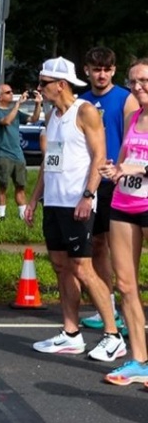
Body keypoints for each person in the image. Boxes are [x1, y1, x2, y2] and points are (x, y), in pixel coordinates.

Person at [24, 57, 125, 362]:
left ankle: (113, 335)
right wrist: (34, 199)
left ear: (61, 84)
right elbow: (49, 161)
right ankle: (71, 333)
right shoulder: (53, 116)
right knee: (60, 266)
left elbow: (99, 156)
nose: (40, 88)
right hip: (54, 202)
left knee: (82, 267)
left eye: (44, 83)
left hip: (77, 202)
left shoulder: (85, 111)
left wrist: (87, 196)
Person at [77, 46, 137, 333]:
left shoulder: (126, 99)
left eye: (106, 69)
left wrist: (121, 169)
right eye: (96, 69)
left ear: (113, 71)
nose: (101, 75)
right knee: (98, 245)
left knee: (121, 249)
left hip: (118, 183)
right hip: (92, 181)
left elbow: (132, 139)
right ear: (87, 70)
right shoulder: (81, 102)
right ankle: (108, 308)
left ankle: (129, 312)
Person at [100, 59, 148, 385]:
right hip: (123, 204)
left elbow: (138, 165)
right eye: (132, 81)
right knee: (126, 285)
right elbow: (123, 162)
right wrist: (114, 171)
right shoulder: (133, 117)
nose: (137, 86)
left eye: (143, 80)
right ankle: (139, 361)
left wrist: (139, 168)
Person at [0, 83, 42, 220]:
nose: (11, 94)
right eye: (8, 92)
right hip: (3, 154)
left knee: (20, 186)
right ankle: (1, 216)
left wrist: (38, 104)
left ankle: (22, 216)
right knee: (3, 185)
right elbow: (6, 121)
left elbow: (34, 119)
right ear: (0, 97)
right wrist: (18, 104)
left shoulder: (15, 112)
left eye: (11, 91)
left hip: (18, 154)